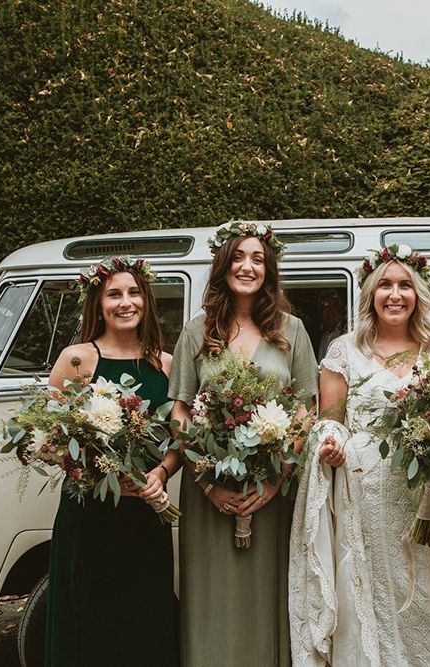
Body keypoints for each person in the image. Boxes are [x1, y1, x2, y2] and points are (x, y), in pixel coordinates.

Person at [290, 245, 430, 666]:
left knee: (418, 599)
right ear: (371, 294)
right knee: (364, 595)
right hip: (360, 495)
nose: (395, 294)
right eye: (385, 284)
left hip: (424, 497)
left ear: (418, 294)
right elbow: (330, 418)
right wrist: (329, 443)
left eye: (405, 285)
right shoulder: (344, 352)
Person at [166, 221, 318, 666]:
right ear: (223, 265)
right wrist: (207, 482)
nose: (247, 266)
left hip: (272, 492)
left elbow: (305, 412)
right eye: (238, 257)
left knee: (269, 597)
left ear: (269, 270)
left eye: (257, 259)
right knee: (212, 598)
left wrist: (276, 480)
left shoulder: (293, 330)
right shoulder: (198, 330)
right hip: (208, 491)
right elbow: (181, 410)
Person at [44, 256, 177, 667]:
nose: (126, 302)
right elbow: (50, 441)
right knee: (90, 620)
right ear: (98, 304)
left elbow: (180, 441)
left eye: (134, 293)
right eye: (114, 294)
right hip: (90, 516)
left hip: (142, 516)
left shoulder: (165, 364)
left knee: (144, 616)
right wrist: (96, 470)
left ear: (146, 301)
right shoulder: (77, 359)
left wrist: (160, 473)